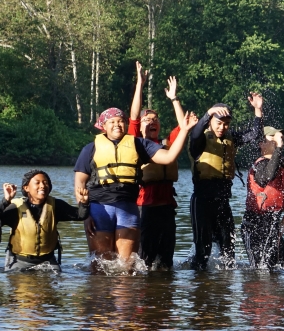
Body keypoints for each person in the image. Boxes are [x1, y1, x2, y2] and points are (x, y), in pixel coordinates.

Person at [75, 107, 197, 263]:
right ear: (103, 126)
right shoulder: (90, 149)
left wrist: (185, 130)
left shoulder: (139, 144)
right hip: (99, 209)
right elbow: (79, 183)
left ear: (126, 125)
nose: (117, 125)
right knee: (99, 267)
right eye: (111, 122)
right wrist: (85, 214)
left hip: (127, 209)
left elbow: (169, 157)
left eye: (120, 121)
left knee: (127, 267)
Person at [188, 93, 265, 270]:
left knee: (228, 250)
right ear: (210, 122)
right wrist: (208, 112)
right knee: (203, 250)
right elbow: (195, 133)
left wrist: (258, 110)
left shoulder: (231, 138)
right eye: (219, 123)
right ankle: (200, 285)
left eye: (226, 124)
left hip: (223, 201)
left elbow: (255, 134)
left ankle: (225, 290)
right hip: (202, 199)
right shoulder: (200, 141)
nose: (223, 127)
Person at [127, 62, 187, 269]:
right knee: (144, 260)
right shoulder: (134, 142)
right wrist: (140, 85)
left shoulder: (167, 144)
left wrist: (174, 99)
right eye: (148, 120)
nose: (152, 122)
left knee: (166, 263)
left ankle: (164, 297)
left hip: (166, 208)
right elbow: (134, 117)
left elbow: (183, 125)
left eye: (156, 119)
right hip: (145, 208)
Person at [0, 170, 89, 272]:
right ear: (26, 188)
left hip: (48, 261)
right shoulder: (15, 208)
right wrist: (5, 201)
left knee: (53, 287)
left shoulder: (56, 206)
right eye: (37, 183)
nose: (42, 186)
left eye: (45, 182)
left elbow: (80, 215)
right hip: (19, 261)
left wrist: (84, 203)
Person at [241, 126, 284, 270]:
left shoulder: (280, 163)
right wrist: (279, 149)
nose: (277, 139)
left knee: (281, 261)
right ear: (261, 143)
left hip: (272, 224)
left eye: (278, 137)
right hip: (254, 225)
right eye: (272, 137)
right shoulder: (259, 164)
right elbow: (267, 176)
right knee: (259, 269)